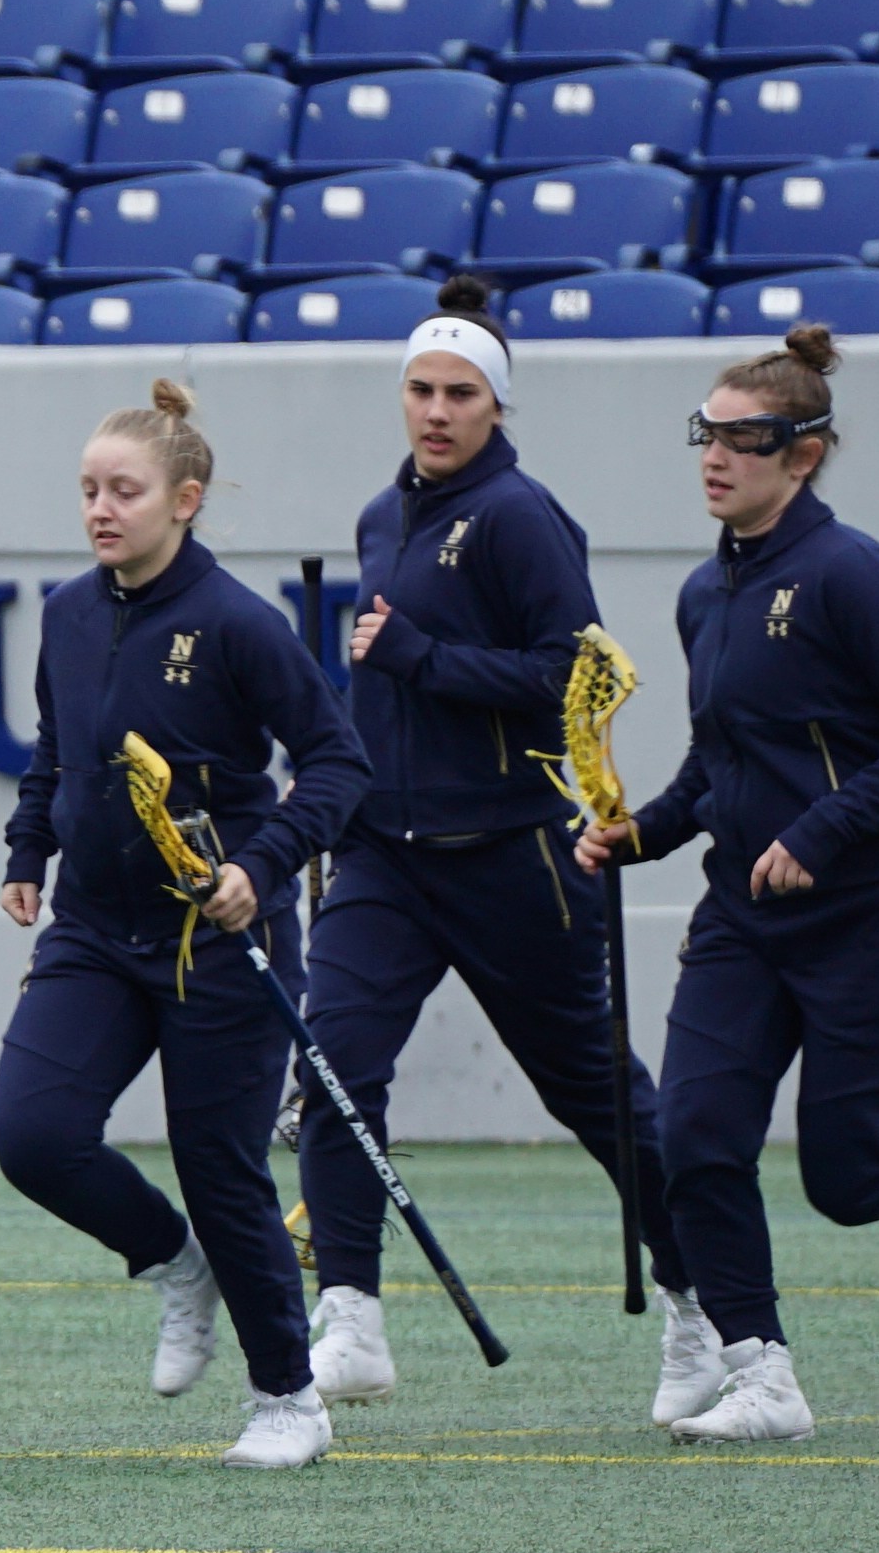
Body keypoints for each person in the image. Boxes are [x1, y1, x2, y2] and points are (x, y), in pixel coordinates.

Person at [579, 325, 879, 1450]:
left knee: (855, 1176)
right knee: (689, 1135)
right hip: (741, 920)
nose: (717, 455)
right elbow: (720, 765)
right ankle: (762, 1371)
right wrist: (635, 833)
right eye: (709, 433)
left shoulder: (852, 573)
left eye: (747, 438)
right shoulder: (705, 593)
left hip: (867, 918)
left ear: (807, 452)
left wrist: (824, 831)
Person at [305, 279, 717, 1431]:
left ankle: (704, 1300)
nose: (436, 411)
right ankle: (351, 1316)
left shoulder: (526, 516)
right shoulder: (383, 517)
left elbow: (567, 677)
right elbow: (384, 684)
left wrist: (421, 656)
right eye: (422, 390)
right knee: (332, 1065)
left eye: (460, 395)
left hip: (509, 854)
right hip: (384, 852)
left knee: (592, 1092)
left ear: (495, 405)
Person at [0, 379, 368, 1473]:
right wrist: (27, 853)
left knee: (220, 1166)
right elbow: (57, 753)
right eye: (88, 491)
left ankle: (289, 1396)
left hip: (218, 943)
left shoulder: (242, 624)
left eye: (124, 491)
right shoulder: (66, 611)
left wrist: (260, 865)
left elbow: (338, 764)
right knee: (35, 1134)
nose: (101, 510)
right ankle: (171, 1261)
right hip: (93, 933)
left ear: (184, 500)